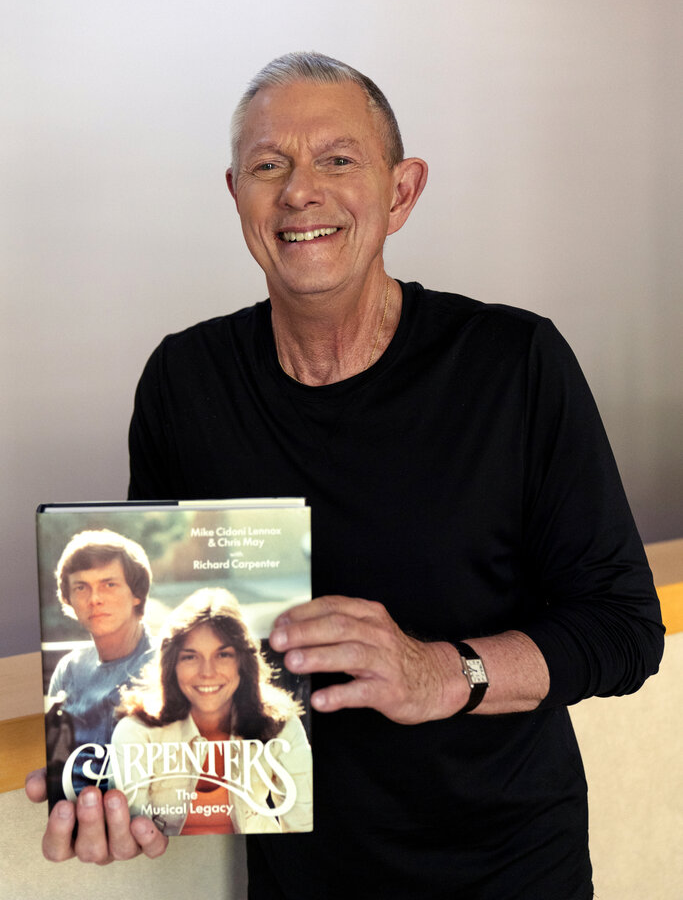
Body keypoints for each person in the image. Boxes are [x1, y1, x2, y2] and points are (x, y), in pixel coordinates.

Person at [28, 52, 664, 898]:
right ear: (235, 196)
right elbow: (169, 653)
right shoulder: (186, 381)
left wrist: (442, 671)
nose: (299, 191)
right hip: (303, 882)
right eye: (268, 166)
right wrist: (124, 792)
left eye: (337, 159)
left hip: (508, 871)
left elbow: (623, 631)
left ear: (400, 192)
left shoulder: (513, 363)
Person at [111, 587, 312, 835]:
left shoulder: (280, 725)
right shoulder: (137, 732)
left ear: (242, 662)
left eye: (223, 654)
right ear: (172, 665)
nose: (207, 672)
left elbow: (303, 825)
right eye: (190, 657)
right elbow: (130, 835)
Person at [46, 529, 155, 796]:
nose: (94, 598)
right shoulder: (69, 668)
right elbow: (53, 759)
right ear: (69, 599)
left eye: (109, 584)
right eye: (81, 587)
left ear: (136, 594)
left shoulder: (166, 664)